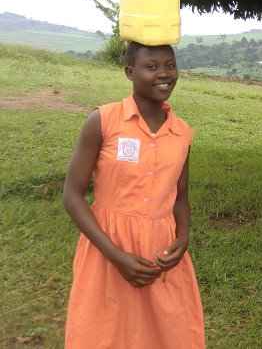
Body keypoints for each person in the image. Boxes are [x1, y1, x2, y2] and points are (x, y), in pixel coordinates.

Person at [62, 42, 205, 349]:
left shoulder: (183, 134)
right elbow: (72, 195)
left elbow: (180, 197)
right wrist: (116, 255)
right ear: (130, 72)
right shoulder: (103, 121)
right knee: (103, 333)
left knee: (164, 334)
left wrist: (183, 237)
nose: (163, 74)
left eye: (170, 65)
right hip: (106, 248)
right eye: (151, 66)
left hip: (158, 255)